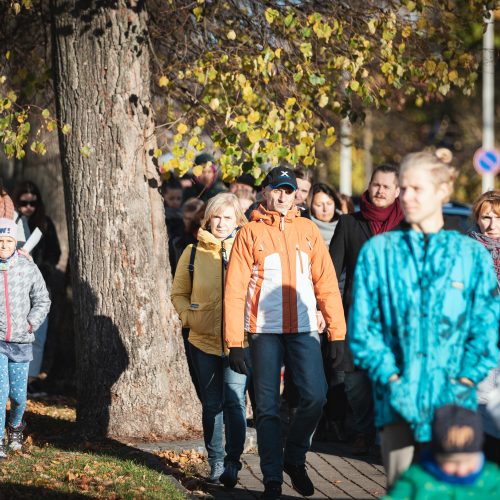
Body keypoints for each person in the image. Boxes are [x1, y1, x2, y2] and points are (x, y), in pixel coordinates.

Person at [349, 151, 499, 488]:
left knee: (450, 491)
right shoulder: (380, 252)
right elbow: (363, 330)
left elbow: (485, 329)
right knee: (403, 489)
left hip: (455, 405)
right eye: (404, 188)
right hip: (396, 403)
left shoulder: (470, 255)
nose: (408, 196)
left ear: (444, 189)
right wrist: (391, 377)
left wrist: (464, 380)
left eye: (418, 188)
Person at [224, 166, 346, 499]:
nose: (282, 196)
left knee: (316, 396)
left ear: (295, 195)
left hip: (305, 330)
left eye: (288, 190)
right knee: (265, 407)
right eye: (277, 189)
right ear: (266, 192)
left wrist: (337, 333)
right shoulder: (249, 232)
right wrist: (234, 341)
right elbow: (234, 289)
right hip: (264, 331)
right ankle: (272, 479)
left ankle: (294, 458)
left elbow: (326, 285)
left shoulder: (308, 230)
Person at [171, 193, 250, 487]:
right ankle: (215, 462)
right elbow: (178, 292)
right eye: (216, 216)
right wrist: (189, 317)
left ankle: (233, 461)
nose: (221, 223)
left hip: (238, 342)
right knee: (212, 404)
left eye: (228, 217)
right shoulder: (192, 252)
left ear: (237, 221)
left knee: (235, 402)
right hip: (201, 340)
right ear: (208, 218)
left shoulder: (245, 252)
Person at [329, 163, 403, 455]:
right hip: (357, 318)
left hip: (397, 321)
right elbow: (331, 273)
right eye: (376, 184)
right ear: (369, 187)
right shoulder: (349, 223)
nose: (380, 190)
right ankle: (362, 426)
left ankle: (382, 434)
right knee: (355, 384)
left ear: (397, 191)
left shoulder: (407, 225)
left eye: (387, 186)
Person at [0, 218, 51, 459]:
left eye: (8, 241)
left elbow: (43, 299)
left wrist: (31, 322)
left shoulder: (27, 267)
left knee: (18, 396)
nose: (3, 246)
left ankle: (16, 427)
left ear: (15, 242)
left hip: (21, 341)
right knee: (0, 390)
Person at [383, 405, 500, 499]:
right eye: (452, 462)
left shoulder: (492, 478)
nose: (461, 470)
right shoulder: (417, 478)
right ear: (436, 456)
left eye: (468, 461)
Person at [12, 181, 61, 387]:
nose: (29, 207)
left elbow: (55, 252)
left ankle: (30, 378)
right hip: (16, 284)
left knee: (38, 331)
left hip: (40, 283)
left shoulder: (45, 224)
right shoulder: (12, 222)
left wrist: (43, 267)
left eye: (33, 203)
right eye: (24, 202)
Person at [468, 190, 500, 464]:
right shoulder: (467, 249)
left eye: (498, 218)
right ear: (477, 219)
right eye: (486, 217)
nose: (492, 225)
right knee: (482, 393)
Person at [170, 198, 205, 274]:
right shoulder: (176, 239)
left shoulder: (207, 238)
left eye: (194, 219)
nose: (190, 222)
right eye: (187, 218)